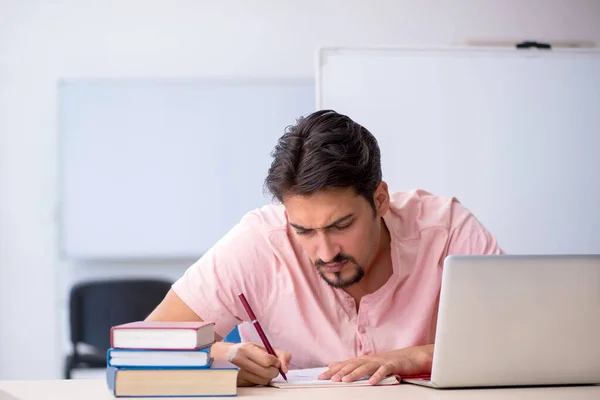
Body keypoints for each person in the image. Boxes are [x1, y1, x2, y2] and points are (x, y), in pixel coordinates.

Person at [146, 109, 503, 386]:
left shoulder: (448, 231)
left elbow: (518, 344)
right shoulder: (259, 242)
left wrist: (415, 358)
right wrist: (218, 357)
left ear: (380, 199)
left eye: (341, 226)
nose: (326, 252)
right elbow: (147, 345)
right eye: (304, 230)